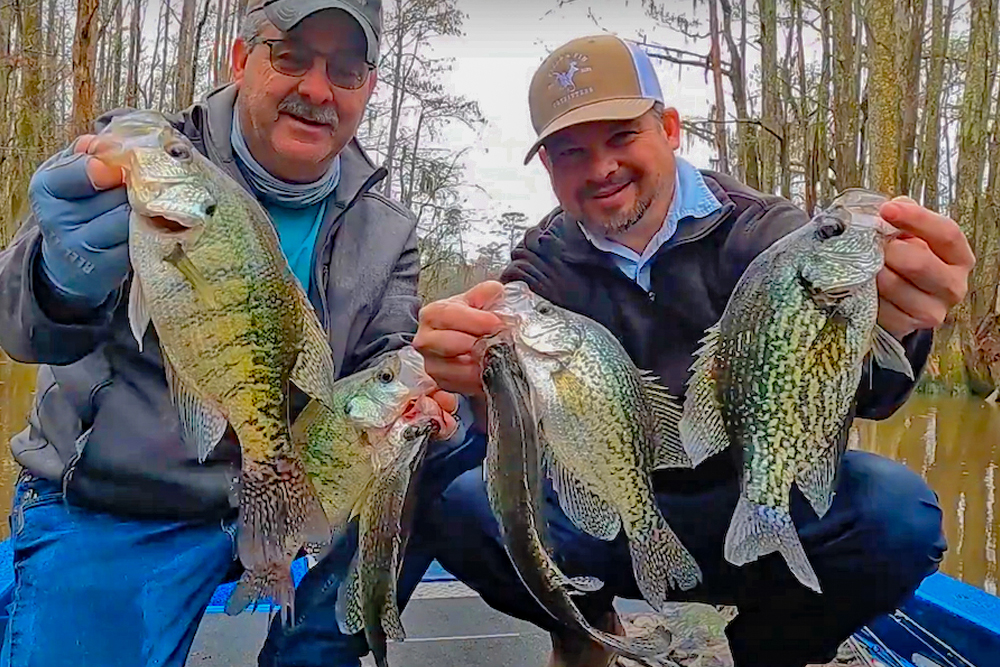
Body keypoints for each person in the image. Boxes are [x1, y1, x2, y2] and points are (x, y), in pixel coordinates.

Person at [412, 34, 976, 667]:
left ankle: (767, 647)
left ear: (670, 128)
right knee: (455, 503)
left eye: (622, 137)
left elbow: (873, 396)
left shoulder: (768, 237)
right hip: (616, 510)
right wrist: (464, 371)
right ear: (548, 168)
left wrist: (899, 321)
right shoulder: (541, 266)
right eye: (571, 152)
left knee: (898, 514)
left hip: (758, 491)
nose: (601, 169)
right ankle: (582, 626)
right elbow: (505, 423)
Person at [0, 1, 482, 665]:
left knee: (451, 453)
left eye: (344, 70)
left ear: (368, 88)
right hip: (117, 507)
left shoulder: (388, 229)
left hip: (285, 487)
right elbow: (18, 327)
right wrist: (62, 275)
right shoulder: (145, 150)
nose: (316, 90)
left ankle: (307, 645)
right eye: (291, 57)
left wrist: (420, 392)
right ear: (239, 58)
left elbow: (379, 361)